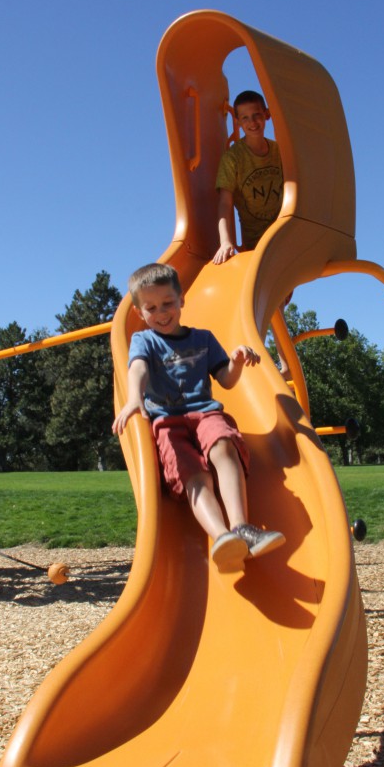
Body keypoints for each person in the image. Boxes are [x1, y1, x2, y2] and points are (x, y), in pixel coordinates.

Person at [112, 262, 285, 571]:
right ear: (140, 313)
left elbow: (227, 380)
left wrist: (236, 361)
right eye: (152, 308)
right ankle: (222, 538)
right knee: (193, 473)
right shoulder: (144, 341)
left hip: (204, 413)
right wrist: (134, 399)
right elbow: (137, 368)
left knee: (223, 444)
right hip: (167, 421)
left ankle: (241, 527)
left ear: (181, 300)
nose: (162, 313)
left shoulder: (203, 339)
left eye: (168, 303)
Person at [213, 89, 291, 377]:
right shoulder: (234, 159)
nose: (252, 122)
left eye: (257, 115)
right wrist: (226, 242)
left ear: (267, 115)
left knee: (275, 296)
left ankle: (275, 360)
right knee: (269, 296)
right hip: (257, 240)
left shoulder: (281, 153)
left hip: (285, 233)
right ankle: (274, 363)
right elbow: (225, 201)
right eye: (245, 118)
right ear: (237, 121)